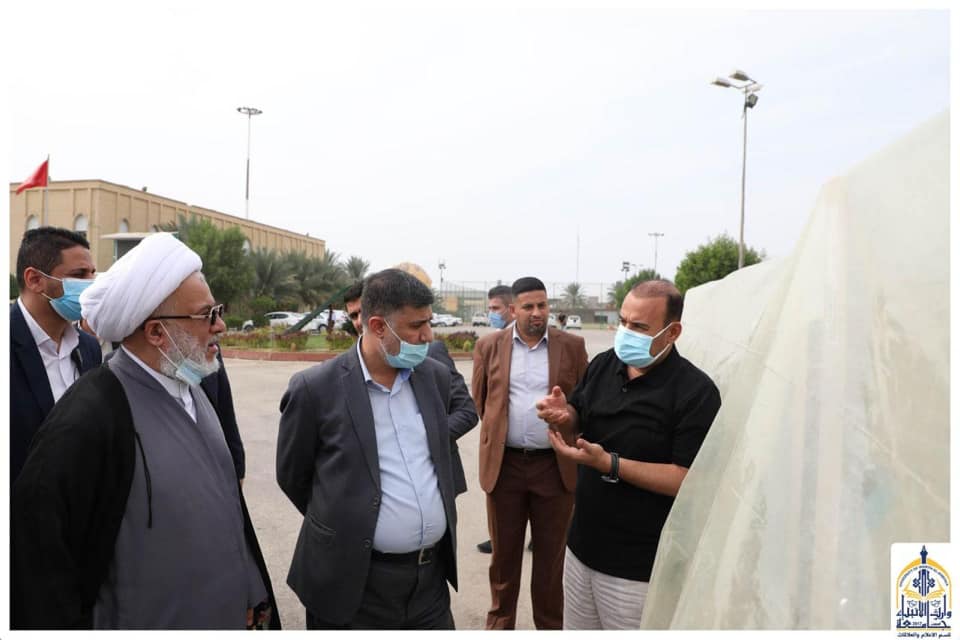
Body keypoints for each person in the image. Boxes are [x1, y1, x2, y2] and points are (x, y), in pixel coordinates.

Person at [11, 233, 280, 630]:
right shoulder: (91, 416)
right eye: (206, 315)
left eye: (218, 311)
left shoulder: (193, 385)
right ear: (156, 332)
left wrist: (251, 589)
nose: (220, 326)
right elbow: (45, 562)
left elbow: (227, 507)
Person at [277, 268, 461, 629]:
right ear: (377, 326)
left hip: (429, 585)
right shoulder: (315, 389)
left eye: (429, 322)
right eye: (416, 325)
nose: (428, 335)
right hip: (352, 587)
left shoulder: (434, 377)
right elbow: (294, 478)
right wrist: (346, 522)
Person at [536, 279, 721, 629]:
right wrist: (565, 414)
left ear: (672, 332)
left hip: (637, 569)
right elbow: (579, 414)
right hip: (581, 548)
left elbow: (686, 479)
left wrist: (609, 464)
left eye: (639, 327)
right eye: (622, 321)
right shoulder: (605, 364)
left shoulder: (695, 392)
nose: (625, 333)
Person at [472, 276, 589, 630]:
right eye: (528, 306)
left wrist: (567, 415)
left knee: (551, 562)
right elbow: (482, 400)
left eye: (542, 305)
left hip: (553, 468)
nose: (537, 312)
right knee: (503, 559)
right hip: (505, 467)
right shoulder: (489, 346)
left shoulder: (571, 346)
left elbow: (585, 403)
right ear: (513, 310)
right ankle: (499, 625)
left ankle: (550, 628)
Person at [342, 279, 478, 497]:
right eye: (354, 315)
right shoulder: (339, 374)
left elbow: (466, 412)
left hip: (435, 485)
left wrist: (419, 438)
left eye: (363, 312)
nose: (360, 321)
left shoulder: (429, 354)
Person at [10, 227, 101, 485]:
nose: (91, 284)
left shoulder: (89, 348)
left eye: (92, 273)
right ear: (34, 279)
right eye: (79, 275)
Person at [476, 284, 516, 554]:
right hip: (501, 439)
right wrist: (494, 425)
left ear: (511, 308)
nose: (491, 313)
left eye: (495, 308)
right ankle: (498, 536)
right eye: (489, 308)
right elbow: (479, 395)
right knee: (500, 493)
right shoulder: (489, 345)